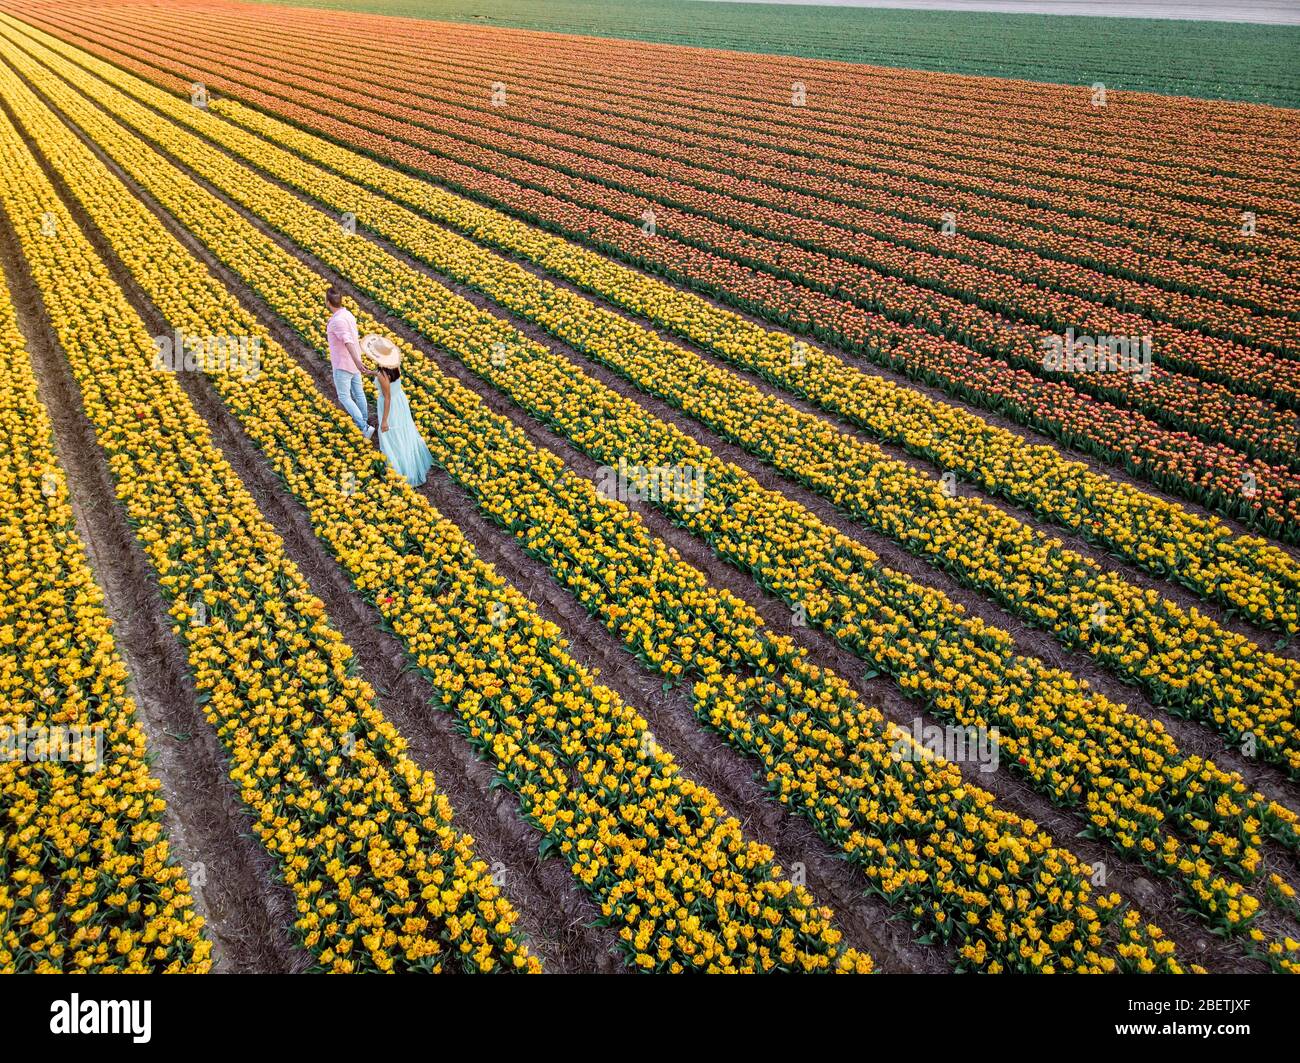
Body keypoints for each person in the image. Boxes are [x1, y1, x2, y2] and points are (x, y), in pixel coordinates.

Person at [366, 337, 433, 488]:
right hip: (400, 401)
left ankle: (400, 469)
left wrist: (384, 421)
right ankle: (409, 461)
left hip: (390, 404)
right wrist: (371, 372)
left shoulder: (382, 374)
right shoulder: (394, 366)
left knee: (390, 433)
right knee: (403, 430)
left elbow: (387, 397)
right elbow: (390, 385)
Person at [325, 286, 374, 438]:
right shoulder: (348, 315)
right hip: (353, 362)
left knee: (344, 397)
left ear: (328, 302)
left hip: (343, 364)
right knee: (359, 394)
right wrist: (357, 361)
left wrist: (357, 361)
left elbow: (347, 341)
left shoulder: (337, 321)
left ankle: (363, 427)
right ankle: (364, 421)